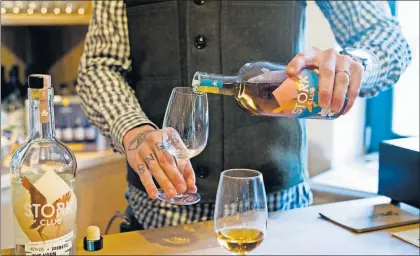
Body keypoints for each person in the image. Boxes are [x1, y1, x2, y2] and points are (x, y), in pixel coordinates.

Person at [77, 0, 411, 231]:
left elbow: (388, 39)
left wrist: (354, 67)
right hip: (157, 219)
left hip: (277, 219)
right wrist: (133, 129)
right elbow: (98, 67)